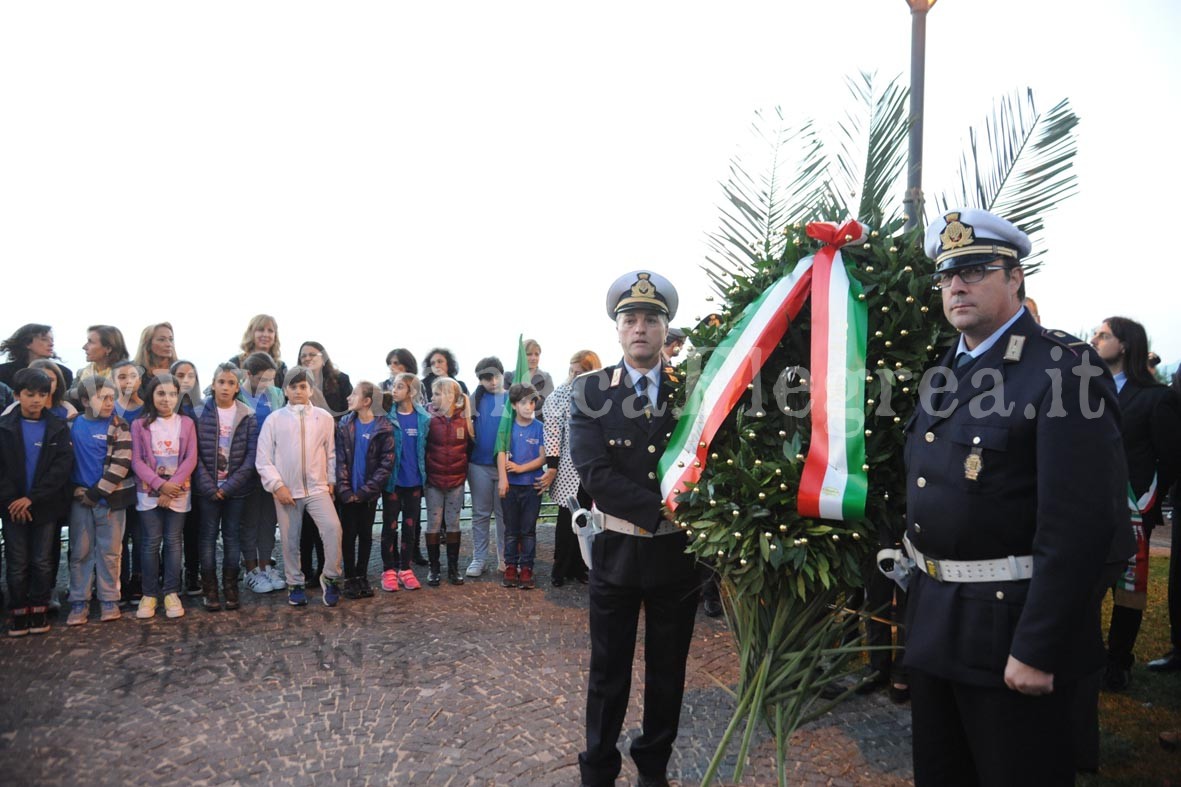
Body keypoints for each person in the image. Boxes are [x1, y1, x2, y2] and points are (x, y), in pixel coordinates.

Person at [901, 210, 1132, 785]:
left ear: (1015, 278)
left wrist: (1039, 646)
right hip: (937, 625)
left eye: (975, 270)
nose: (957, 285)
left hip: (1011, 635)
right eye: (947, 275)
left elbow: (1079, 525)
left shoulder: (1063, 371)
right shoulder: (945, 372)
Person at [571, 270, 699, 787]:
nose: (640, 328)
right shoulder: (592, 390)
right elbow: (594, 472)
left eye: (651, 319)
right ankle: (598, 770)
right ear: (618, 331)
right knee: (608, 673)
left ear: (666, 331)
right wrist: (664, 508)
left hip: (676, 557)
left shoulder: (692, 390)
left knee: (668, 673)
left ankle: (653, 768)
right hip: (618, 549)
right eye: (631, 319)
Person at [1092, 317, 1181, 689]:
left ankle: (1118, 660)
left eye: (1103, 335)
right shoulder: (1085, 391)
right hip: (1086, 506)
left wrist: (1149, 501)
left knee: (1127, 591)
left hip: (1132, 509)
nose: (1095, 339)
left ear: (1125, 345)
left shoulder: (1155, 397)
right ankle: (1090, 656)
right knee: (1085, 586)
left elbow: (1172, 457)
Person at [254, 367, 344, 608]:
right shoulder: (275, 420)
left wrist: (331, 481)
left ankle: (331, 577)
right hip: (286, 490)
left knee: (333, 529)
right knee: (290, 539)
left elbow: (331, 453)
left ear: (311, 390)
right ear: (285, 390)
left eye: (303, 386)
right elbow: (263, 458)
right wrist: (277, 486)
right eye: (293, 387)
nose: (298, 391)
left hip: (317, 488)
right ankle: (295, 583)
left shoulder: (324, 418)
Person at [0, 368, 74, 636]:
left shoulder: (56, 427)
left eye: (41, 394)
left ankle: (40, 607)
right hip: (12, 508)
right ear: (17, 395)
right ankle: (19, 609)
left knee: (42, 560)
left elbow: (61, 468)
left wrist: (32, 498)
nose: (35, 400)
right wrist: (13, 500)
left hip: (44, 506)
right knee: (17, 560)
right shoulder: (5, 427)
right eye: (29, 394)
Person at [66, 376, 134, 625]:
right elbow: (64, 461)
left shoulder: (119, 425)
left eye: (111, 397)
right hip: (79, 500)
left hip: (109, 501)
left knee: (110, 552)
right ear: (84, 400)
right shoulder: (71, 425)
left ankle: (109, 599)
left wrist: (95, 494)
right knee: (80, 552)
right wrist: (75, 490)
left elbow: (121, 464)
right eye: (102, 398)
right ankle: (79, 601)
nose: (109, 403)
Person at [130, 374, 197, 621]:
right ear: (152, 396)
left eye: (171, 394)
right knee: (150, 543)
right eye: (161, 393)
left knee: (173, 542)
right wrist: (160, 485)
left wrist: (172, 486)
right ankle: (149, 593)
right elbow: (136, 460)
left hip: (179, 492)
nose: (166, 399)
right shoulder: (140, 424)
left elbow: (191, 458)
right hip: (149, 494)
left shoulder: (187, 423)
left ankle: (171, 591)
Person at [192, 364, 258, 612]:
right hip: (207, 489)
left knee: (232, 537)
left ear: (237, 387)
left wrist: (230, 486)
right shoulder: (199, 412)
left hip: (236, 490)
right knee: (207, 538)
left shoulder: (247, 414)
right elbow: (194, 453)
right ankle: (210, 588)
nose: (226, 387)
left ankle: (230, 586)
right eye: (221, 382)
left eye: (231, 383)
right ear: (213, 383)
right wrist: (209, 486)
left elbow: (251, 456)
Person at [541, 350, 601, 587]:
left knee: (589, 520)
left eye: (581, 372)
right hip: (568, 468)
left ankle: (581, 566)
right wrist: (553, 466)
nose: (576, 375)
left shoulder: (601, 396)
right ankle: (560, 567)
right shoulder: (560, 395)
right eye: (573, 371)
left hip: (595, 467)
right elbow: (553, 433)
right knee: (567, 521)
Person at [296, 341, 351, 583]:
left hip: (332, 451)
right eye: (303, 355)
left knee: (328, 517)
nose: (308, 358)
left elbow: (348, 413)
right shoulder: (294, 382)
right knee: (304, 522)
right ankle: (305, 569)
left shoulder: (340, 380)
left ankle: (327, 569)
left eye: (312, 354)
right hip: (302, 455)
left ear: (323, 356)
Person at [335, 381, 394, 599]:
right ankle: (350, 577)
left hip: (367, 496)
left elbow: (385, 465)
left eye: (354, 394)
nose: (349, 397)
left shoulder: (383, 428)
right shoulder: (345, 425)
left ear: (367, 401)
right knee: (348, 535)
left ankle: (362, 575)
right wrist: (345, 491)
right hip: (348, 495)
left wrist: (365, 491)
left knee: (366, 535)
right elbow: (339, 460)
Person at [236, 352, 286, 593]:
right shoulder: (237, 395)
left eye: (271, 379)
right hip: (245, 466)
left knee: (268, 520)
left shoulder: (276, 395)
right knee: (249, 521)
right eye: (263, 379)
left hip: (270, 466)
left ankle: (266, 566)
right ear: (248, 374)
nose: (267, 384)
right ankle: (251, 570)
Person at [380, 372, 428, 592]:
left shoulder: (424, 419)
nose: (394, 390)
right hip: (392, 482)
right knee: (389, 526)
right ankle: (388, 570)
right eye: (394, 386)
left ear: (412, 392)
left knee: (410, 528)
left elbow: (427, 449)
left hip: (414, 482)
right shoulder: (387, 418)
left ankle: (405, 568)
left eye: (400, 387)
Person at [423, 376, 473, 587]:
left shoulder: (465, 418)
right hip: (433, 479)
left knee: (453, 522)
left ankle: (453, 568)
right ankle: (434, 568)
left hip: (456, 480)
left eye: (436, 393)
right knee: (433, 523)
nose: (432, 397)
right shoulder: (427, 417)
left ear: (449, 395)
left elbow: (469, 447)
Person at [497, 383, 546, 590]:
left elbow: (543, 458)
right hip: (511, 488)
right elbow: (500, 452)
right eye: (523, 402)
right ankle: (510, 566)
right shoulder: (507, 427)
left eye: (532, 402)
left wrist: (520, 468)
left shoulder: (540, 427)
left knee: (528, 530)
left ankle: (526, 567)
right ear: (515, 405)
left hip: (532, 487)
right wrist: (503, 478)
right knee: (511, 530)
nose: (528, 406)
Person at [466, 356, 508, 576]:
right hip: (478, 464)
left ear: (502, 374)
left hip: (504, 466)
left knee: (503, 515)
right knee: (481, 513)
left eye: (495, 376)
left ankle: (504, 557)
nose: (492, 381)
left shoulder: (511, 398)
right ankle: (479, 558)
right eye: (486, 378)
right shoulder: (474, 400)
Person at [171, 359, 203, 595]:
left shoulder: (201, 407)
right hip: (165, 479)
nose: (185, 380)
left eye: (190, 376)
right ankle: (171, 573)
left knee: (193, 530)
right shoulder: (163, 407)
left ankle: (193, 572)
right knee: (169, 533)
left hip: (197, 478)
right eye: (180, 375)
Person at [0, 323, 72, 390]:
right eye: (44, 339)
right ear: (27, 343)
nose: (51, 344)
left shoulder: (64, 373)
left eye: (52, 340)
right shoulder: (4, 372)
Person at [229, 314, 288, 385]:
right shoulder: (235, 363)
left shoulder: (281, 367)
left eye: (270, 331)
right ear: (251, 333)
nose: (266, 334)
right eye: (261, 330)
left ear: (275, 336)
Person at [505, 339, 555, 417]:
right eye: (529, 354)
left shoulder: (546, 378)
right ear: (521, 355)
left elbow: (547, 403)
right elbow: (505, 402)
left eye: (536, 354)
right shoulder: (508, 377)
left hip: (538, 424)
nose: (533, 358)